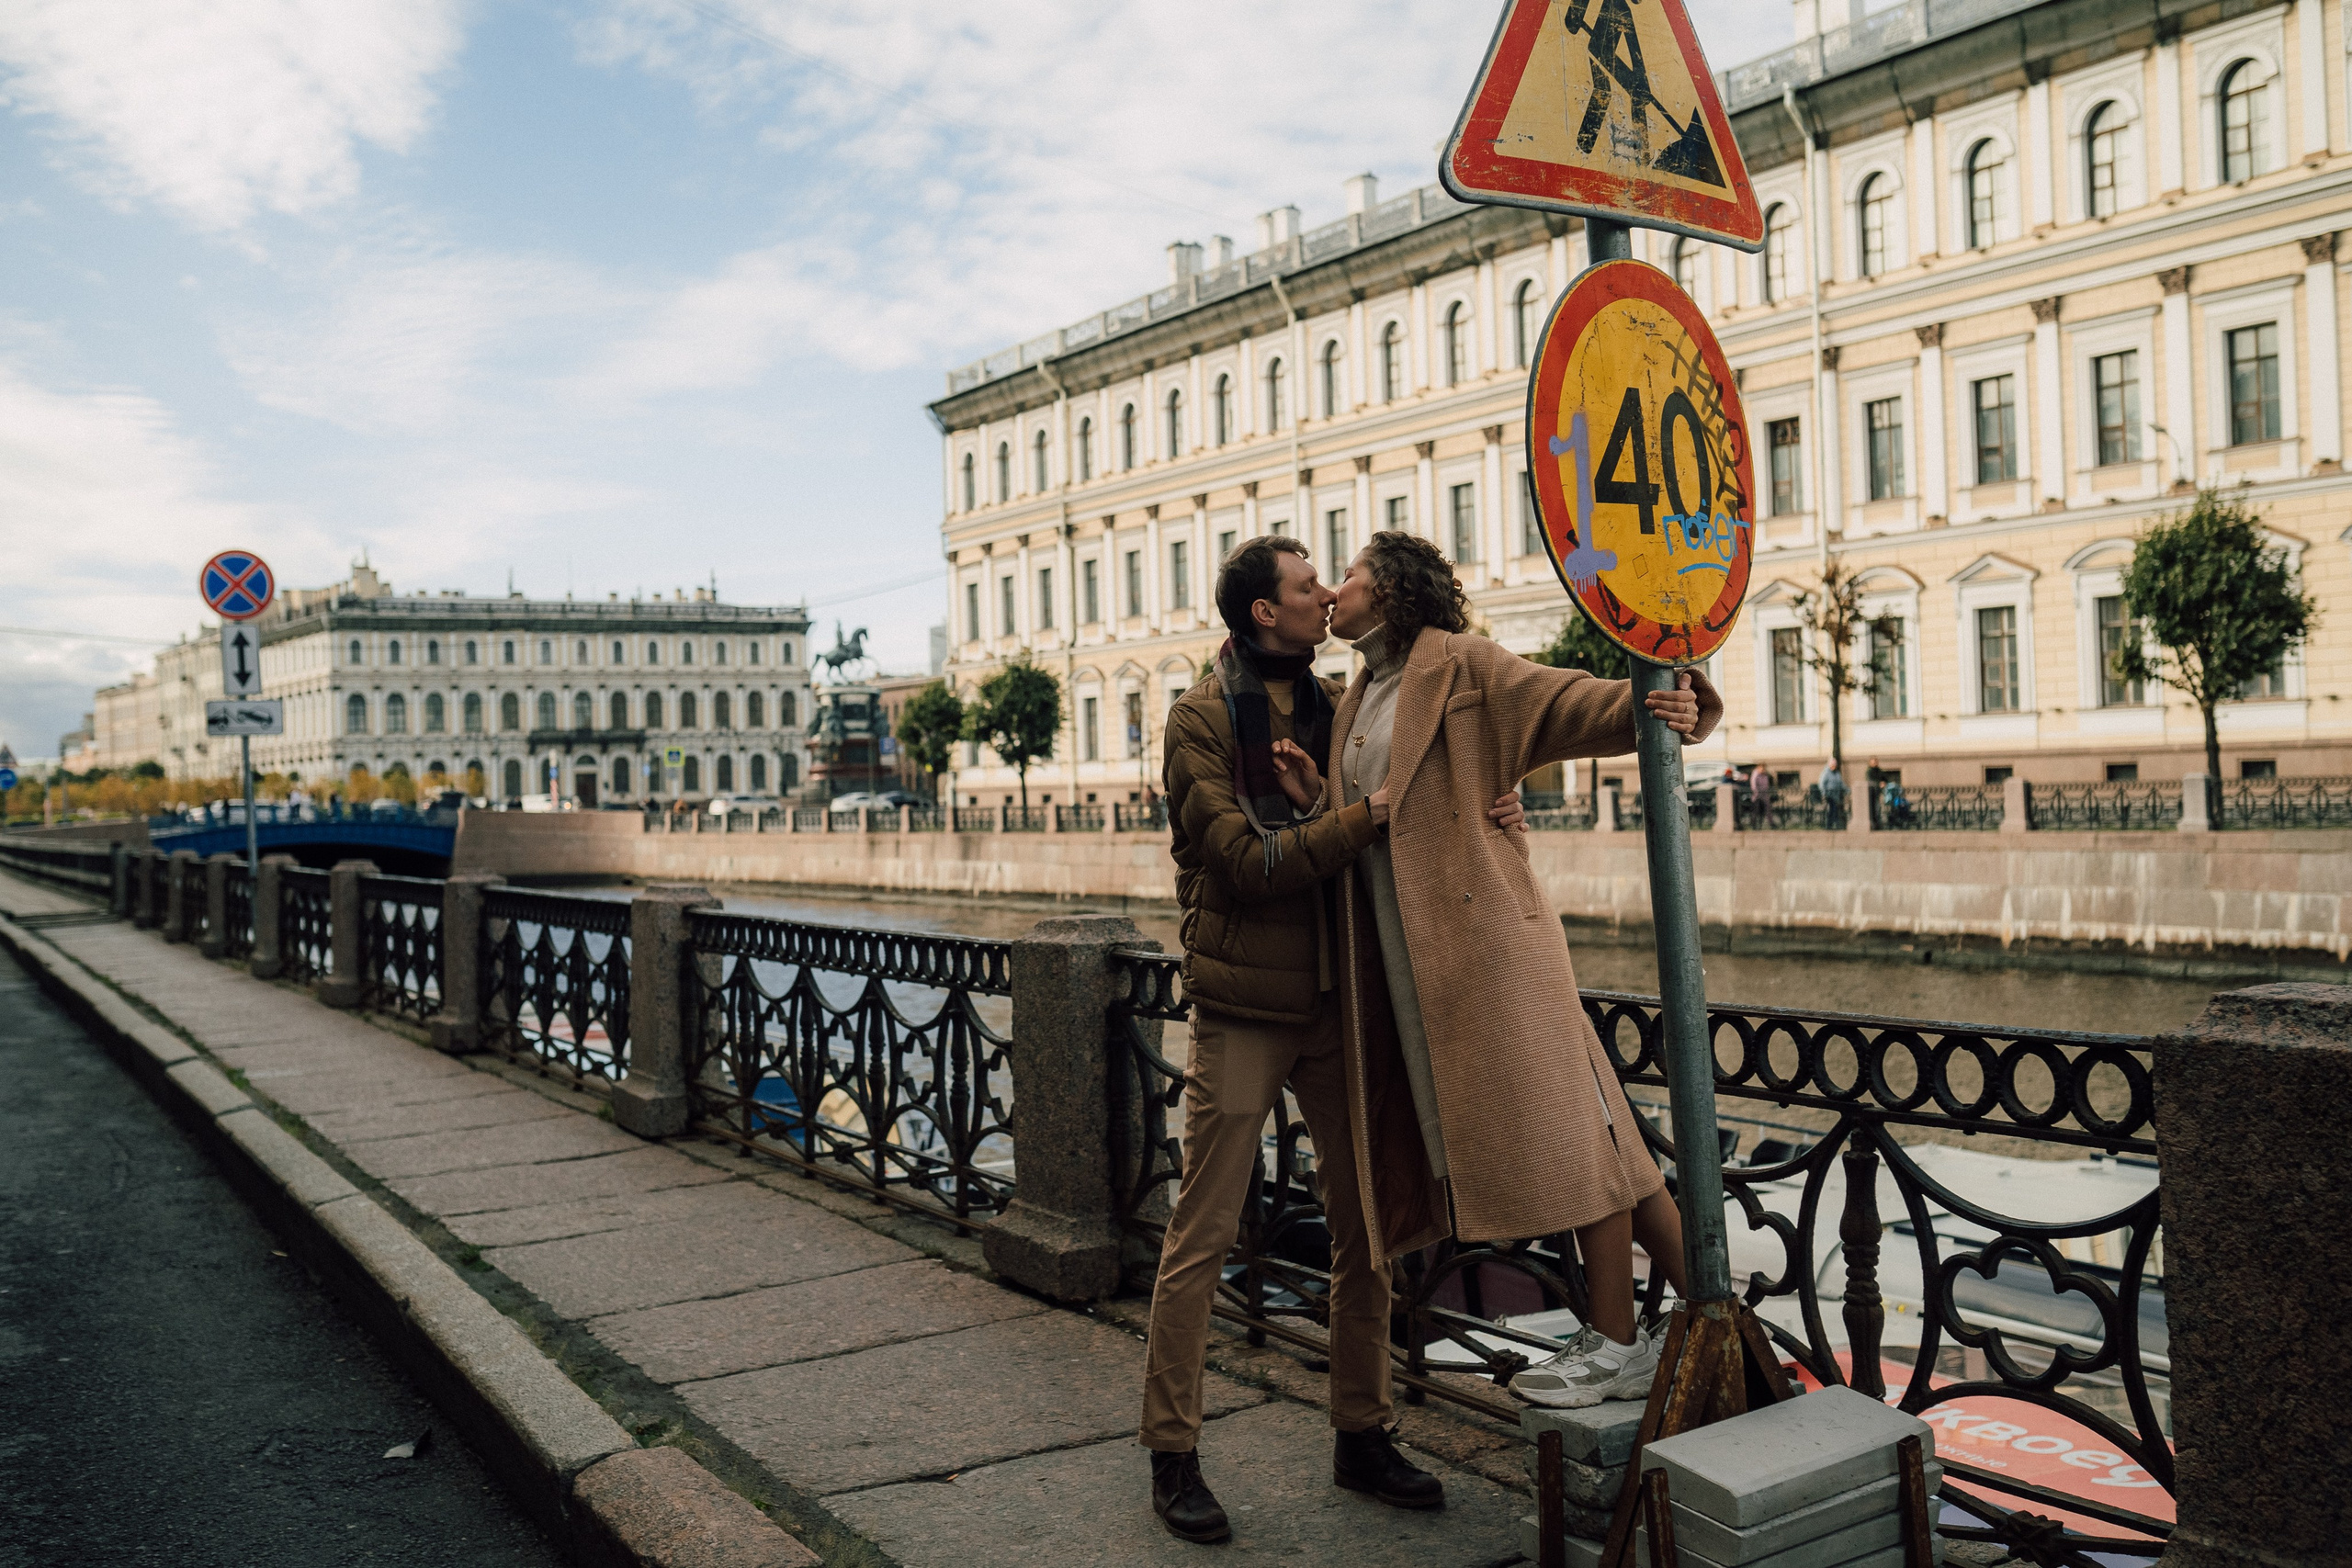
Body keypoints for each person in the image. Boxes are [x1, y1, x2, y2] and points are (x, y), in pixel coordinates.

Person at [1268, 531, 1724, 1414]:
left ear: (1392, 591)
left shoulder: (1464, 665)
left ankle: (1619, 1341)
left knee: (1579, 1135)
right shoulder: (1357, 694)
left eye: (1351, 573)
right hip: (1412, 959)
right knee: (1613, 1144)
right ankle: (1717, 1316)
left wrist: (1666, 693)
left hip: (1491, 948)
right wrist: (1316, 803)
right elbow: (1391, 806)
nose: (1336, 589)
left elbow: (1561, 702)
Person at [1142, 535, 1529, 1543]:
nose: (1324, 598)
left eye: (1324, 583)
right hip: (1243, 1006)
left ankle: (1363, 1432)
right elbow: (1238, 860)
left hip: (1339, 1000)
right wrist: (1358, 822)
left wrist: (1496, 799)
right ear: (1263, 614)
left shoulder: (1339, 705)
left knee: (1368, 1227)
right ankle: (1172, 1453)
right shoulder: (1197, 717)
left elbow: (1425, 780)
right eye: (1307, 586)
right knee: (1205, 1231)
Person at [1819, 758, 1849, 829]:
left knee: (1835, 810)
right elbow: (1822, 784)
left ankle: (1834, 825)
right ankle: (1829, 825)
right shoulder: (1826, 773)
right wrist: (1824, 793)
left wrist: (1847, 790)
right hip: (1829, 795)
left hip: (1836, 795)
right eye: (1832, 765)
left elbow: (1841, 783)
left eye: (1835, 765)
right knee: (1831, 810)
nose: (1833, 767)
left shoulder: (1837, 773)